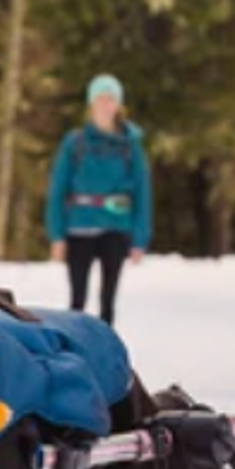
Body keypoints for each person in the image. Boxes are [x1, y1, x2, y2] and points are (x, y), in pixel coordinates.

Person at [46, 73, 151, 327]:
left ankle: (105, 355)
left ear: (118, 105)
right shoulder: (75, 143)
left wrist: (140, 238)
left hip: (116, 228)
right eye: (100, 98)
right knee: (77, 301)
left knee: (108, 301)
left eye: (111, 99)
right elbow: (57, 189)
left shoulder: (130, 146)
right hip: (79, 228)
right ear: (91, 103)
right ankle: (74, 355)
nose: (105, 104)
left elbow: (142, 192)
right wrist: (56, 235)